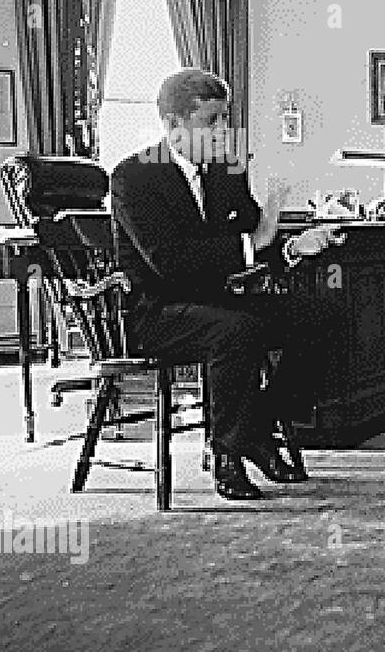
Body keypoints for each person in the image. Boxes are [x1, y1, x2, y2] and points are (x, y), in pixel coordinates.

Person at [110, 69, 345, 501]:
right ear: (173, 124)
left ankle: (256, 428)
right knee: (237, 330)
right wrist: (256, 239)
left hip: (220, 304)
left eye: (225, 119)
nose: (223, 130)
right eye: (211, 121)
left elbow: (259, 243)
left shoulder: (225, 172)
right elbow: (169, 263)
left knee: (321, 313)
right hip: (157, 313)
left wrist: (295, 247)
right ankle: (228, 454)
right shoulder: (133, 177)